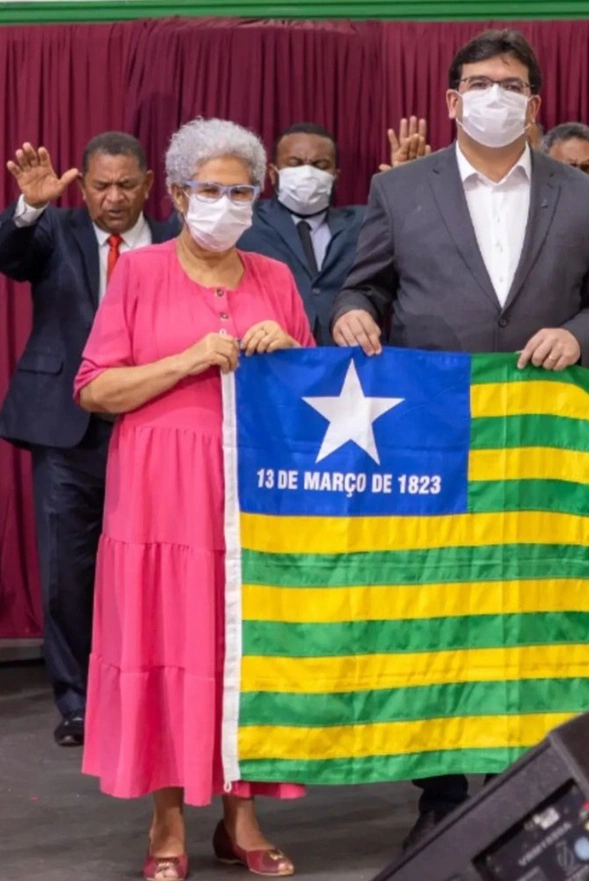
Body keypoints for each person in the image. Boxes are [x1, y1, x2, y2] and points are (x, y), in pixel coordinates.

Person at [332, 27, 589, 847]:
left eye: (511, 84)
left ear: (535, 103)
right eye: (478, 82)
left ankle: (531, 779)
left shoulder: (581, 193)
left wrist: (582, 335)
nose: (494, 96)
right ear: (452, 99)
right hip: (433, 437)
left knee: (536, 606)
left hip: (542, 441)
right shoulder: (400, 189)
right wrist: (351, 312)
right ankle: (440, 791)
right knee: (442, 609)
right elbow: (362, 289)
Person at [75, 118, 314, 881]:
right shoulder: (139, 273)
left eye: (240, 191)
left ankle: (241, 817)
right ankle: (168, 820)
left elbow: (317, 398)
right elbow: (95, 388)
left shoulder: (275, 276)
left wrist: (291, 355)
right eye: (209, 189)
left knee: (243, 653)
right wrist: (184, 362)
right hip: (157, 501)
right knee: (166, 649)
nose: (226, 202)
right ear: (177, 194)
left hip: (251, 500)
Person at [0, 133, 176, 747]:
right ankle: (77, 702)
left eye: (127, 185)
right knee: (65, 572)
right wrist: (28, 210)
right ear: (85, 184)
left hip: (157, 426)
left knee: (159, 566)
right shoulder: (57, 231)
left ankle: (154, 692)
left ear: (149, 184)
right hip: (66, 427)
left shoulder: (180, 240)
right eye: (101, 185)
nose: (113, 197)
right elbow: (10, 255)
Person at [237, 122, 364, 344]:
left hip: (346, 362)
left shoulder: (364, 222)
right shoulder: (244, 219)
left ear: (336, 175)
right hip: (271, 356)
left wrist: (405, 182)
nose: (307, 173)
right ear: (272, 173)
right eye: (294, 164)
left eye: (320, 165)